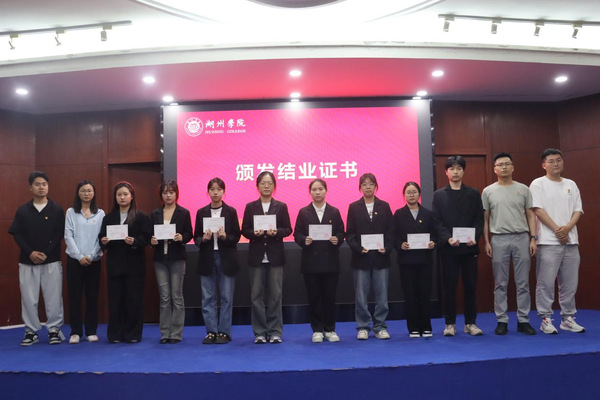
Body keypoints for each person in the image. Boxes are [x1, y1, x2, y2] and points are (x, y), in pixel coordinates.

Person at [529, 148, 585, 334]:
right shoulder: (538, 184)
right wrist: (557, 230)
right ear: (543, 165)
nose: (556, 164)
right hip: (548, 241)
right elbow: (538, 209)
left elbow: (578, 210)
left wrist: (567, 228)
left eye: (559, 160)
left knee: (570, 283)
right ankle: (545, 319)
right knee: (545, 282)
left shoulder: (571, 184)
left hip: (571, 241)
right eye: (551, 161)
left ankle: (567, 318)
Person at [482, 153, 537, 336]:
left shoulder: (523, 189)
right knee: (500, 283)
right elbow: (485, 218)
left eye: (507, 164)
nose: (504, 167)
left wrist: (533, 238)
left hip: (521, 237)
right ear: (495, 169)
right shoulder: (488, 191)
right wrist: (487, 241)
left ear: (513, 167)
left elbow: (530, 214)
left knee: (523, 283)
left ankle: (523, 320)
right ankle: (502, 320)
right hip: (499, 239)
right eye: (500, 164)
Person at [9, 171, 65, 346]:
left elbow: (59, 234)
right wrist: (30, 252)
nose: (41, 187)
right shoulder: (23, 210)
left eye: (44, 184)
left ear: (48, 187)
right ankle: (31, 331)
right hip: (27, 261)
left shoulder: (56, 209)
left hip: (52, 260)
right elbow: (17, 234)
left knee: (54, 297)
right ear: (30, 187)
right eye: (37, 184)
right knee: (28, 298)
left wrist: (46, 252)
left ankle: (54, 330)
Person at [432, 156, 484, 337]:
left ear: (463, 171)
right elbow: (437, 222)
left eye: (459, 168)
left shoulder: (473, 193)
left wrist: (474, 237)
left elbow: (479, 219)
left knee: (470, 287)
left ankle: (471, 323)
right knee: (449, 288)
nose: (455, 172)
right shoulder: (439, 195)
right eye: (452, 169)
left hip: (469, 248)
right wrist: (447, 238)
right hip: (449, 250)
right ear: (446, 172)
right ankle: (450, 324)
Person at [241, 171, 292, 344]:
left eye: (270, 183)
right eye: (263, 183)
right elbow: (244, 230)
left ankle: (275, 331)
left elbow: (288, 229)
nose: (266, 186)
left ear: (274, 186)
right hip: (256, 257)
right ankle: (260, 332)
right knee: (256, 296)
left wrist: (276, 232)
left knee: (275, 295)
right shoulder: (250, 207)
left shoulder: (281, 206)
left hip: (275, 256)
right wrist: (253, 233)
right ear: (257, 186)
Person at [293, 179, 345, 343]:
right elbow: (297, 234)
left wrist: (337, 239)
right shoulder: (304, 212)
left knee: (329, 297)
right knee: (314, 296)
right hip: (311, 262)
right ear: (310, 192)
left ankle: (330, 329)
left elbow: (341, 232)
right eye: (314, 189)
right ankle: (316, 329)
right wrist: (304, 240)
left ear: (326, 191)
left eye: (320, 189)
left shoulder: (334, 211)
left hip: (330, 262)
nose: (317, 192)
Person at [99, 181, 151, 343]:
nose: (122, 197)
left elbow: (147, 238)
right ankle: (115, 334)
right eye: (119, 195)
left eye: (125, 194)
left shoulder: (140, 216)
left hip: (135, 266)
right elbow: (101, 239)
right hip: (115, 265)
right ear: (115, 197)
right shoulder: (109, 217)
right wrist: (104, 241)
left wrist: (135, 241)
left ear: (132, 196)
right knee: (115, 301)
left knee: (134, 301)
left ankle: (132, 334)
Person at [346, 173, 394, 340]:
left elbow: (391, 231)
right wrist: (359, 249)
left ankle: (380, 326)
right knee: (361, 296)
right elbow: (350, 234)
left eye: (371, 184)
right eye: (364, 184)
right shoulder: (353, 207)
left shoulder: (384, 206)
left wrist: (387, 248)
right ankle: (363, 326)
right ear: (360, 187)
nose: (368, 187)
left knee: (382, 296)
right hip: (361, 258)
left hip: (381, 257)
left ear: (376, 186)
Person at [194, 178, 241, 345]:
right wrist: (204, 239)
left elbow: (236, 236)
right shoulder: (201, 212)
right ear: (208, 192)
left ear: (223, 192)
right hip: (207, 258)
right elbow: (196, 237)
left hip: (226, 258)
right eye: (212, 189)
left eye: (219, 189)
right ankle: (211, 331)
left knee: (227, 297)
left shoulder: (231, 211)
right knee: (208, 297)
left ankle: (224, 332)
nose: (215, 192)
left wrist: (225, 237)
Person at [393, 181, 438, 338]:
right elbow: (393, 236)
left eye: (414, 192)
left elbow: (435, 234)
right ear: (404, 195)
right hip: (406, 261)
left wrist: (433, 242)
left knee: (425, 294)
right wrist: (400, 244)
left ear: (419, 194)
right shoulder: (398, 214)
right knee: (410, 295)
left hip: (424, 260)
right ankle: (413, 328)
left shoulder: (428, 214)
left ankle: (426, 326)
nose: (411, 195)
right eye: (408, 192)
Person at [150, 180, 193, 344]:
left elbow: (189, 233)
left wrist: (182, 237)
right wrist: (152, 240)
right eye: (165, 192)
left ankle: (175, 333)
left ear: (176, 194)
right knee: (164, 297)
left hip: (177, 258)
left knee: (176, 295)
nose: (168, 195)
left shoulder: (184, 213)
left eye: (171, 192)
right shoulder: (155, 213)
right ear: (161, 195)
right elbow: (149, 235)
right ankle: (164, 333)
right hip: (160, 259)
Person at [64, 180, 105, 344]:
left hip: (94, 261)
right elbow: (68, 236)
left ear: (94, 193)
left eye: (89, 190)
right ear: (78, 193)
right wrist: (80, 256)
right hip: (75, 261)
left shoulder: (100, 213)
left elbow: (101, 237)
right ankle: (75, 331)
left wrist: (92, 255)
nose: (86, 193)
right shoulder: (71, 212)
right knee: (74, 296)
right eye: (83, 190)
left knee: (92, 296)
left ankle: (91, 331)